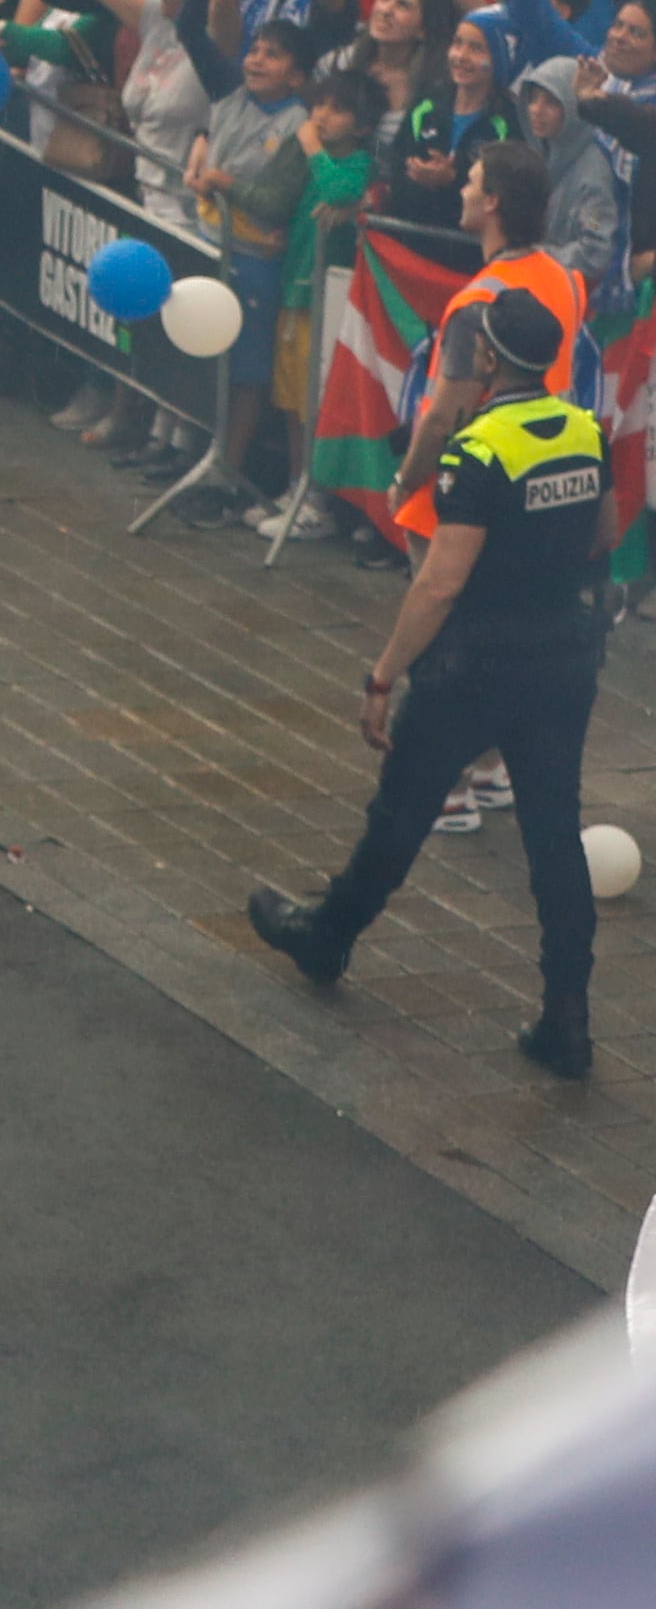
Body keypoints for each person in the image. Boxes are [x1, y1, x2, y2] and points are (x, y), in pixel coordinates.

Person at [249, 283, 610, 1078]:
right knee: (555, 837)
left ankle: (326, 937)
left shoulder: (480, 447)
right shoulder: (585, 430)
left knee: (402, 810)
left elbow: (441, 581)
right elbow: (604, 531)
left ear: (485, 355)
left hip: (476, 663)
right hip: (563, 656)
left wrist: (383, 674)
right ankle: (568, 1020)